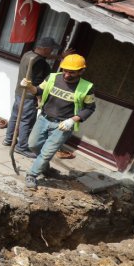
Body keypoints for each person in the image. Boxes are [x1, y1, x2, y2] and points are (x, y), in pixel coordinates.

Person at [20, 53, 96, 190]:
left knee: (47, 152)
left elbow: (90, 108)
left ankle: (32, 175)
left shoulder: (87, 87)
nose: (67, 75)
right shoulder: (52, 77)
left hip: (63, 125)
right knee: (33, 145)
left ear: (81, 71)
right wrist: (29, 86)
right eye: (65, 70)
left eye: (72, 72)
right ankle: (45, 167)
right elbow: (38, 91)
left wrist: (72, 120)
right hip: (43, 119)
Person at [3, 37, 59, 158]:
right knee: (26, 121)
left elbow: (42, 58)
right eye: (51, 50)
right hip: (29, 96)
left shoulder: (28, 54)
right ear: (45, 49)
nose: (52, 52)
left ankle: (8, 139)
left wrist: (59, 57)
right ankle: (21, 147)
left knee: (14, 116)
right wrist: (38, 97)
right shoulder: (40, 63)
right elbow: (37, 82)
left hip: (19, 92)